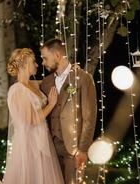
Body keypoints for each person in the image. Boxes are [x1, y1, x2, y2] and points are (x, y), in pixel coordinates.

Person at [3, 48, 64, 184]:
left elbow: (52, 80)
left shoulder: (32, 84)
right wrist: (51, 104)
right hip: (29, 144)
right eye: (33, 62)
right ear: (24, 65)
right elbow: (32, 119)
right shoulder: (17, 90)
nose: (37, 65)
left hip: (41, 139)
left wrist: (68, 71)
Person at [40, 39, 97, 184]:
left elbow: (89, 117)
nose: (43, 63)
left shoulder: (83, 79)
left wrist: (83, 149)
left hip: (74, 148)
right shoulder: (46, 83)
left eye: (45, 58)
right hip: (50, 148)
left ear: (57, 56)